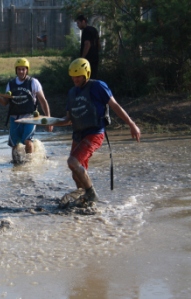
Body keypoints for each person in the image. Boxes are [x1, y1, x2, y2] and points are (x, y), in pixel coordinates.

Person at [54, 58, 141, 206]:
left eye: (78, 76)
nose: (75, 79)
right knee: (76, 173)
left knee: (72, 162)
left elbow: (115, 106)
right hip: (78, 135)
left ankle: (92, 194)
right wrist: (50, 122)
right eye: (73, 76)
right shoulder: (71, 93)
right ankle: (84, 200)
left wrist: (131, 124)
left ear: (86, 74)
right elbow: (68, 119)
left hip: (94, 133)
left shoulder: (98, 86)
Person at [0, 58, 52, 163]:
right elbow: (5, 103)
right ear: (16, 70)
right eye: (19, 69)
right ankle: (16, 166)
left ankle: (29, 165)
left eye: (23, 69)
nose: (21, 72)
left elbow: (43, 101)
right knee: (14, 145)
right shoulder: (11, 84)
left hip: (30, 118)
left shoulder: (33, 82)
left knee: (28, 142)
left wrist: (49, 120)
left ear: (27, 70)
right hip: (15, 119)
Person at [75, 15, 100, 79]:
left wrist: (82, 58)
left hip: (88, 60)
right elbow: (99, 44)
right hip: (95, 58)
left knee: (87, 78)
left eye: (78, 23)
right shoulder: (94, 29)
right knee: (94, 77)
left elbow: (87, 44)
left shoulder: (86, 31)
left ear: (83, 21)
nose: (77, 25)